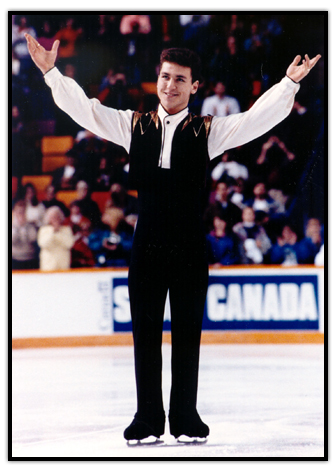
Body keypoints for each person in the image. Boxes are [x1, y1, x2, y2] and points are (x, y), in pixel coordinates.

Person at [25, 32, 321, 442]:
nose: (170, 85)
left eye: (180, 79)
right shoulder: (133, 125)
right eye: (165, 77)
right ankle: (147, 417)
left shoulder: (209, 131)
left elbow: (254, 120)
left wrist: (289, 83)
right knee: (144, 333)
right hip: (145, 242)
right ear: (157, 77)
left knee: (187, 332)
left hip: (188, 244)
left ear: (195, 86)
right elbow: (86, 111)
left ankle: (185, 416)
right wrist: (52, 72)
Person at [37, 206, 75, 271]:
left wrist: (58, 232)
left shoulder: (67, 230)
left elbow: (69, 244)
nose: (56, 218)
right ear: (48, 218)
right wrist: (53, 231)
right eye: (53, 217)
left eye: (58, 216)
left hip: (63, 265)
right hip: (48, 265)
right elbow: (43, 244)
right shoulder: (43, 230)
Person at [12, 200, 39, 270]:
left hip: (29, 258)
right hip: (15, 258)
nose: (21, 214)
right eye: (19, 212)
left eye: (23, 211)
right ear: (14, 212)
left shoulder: (31, 226)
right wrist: (18, 227)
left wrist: (24, 227)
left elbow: (33, 238)